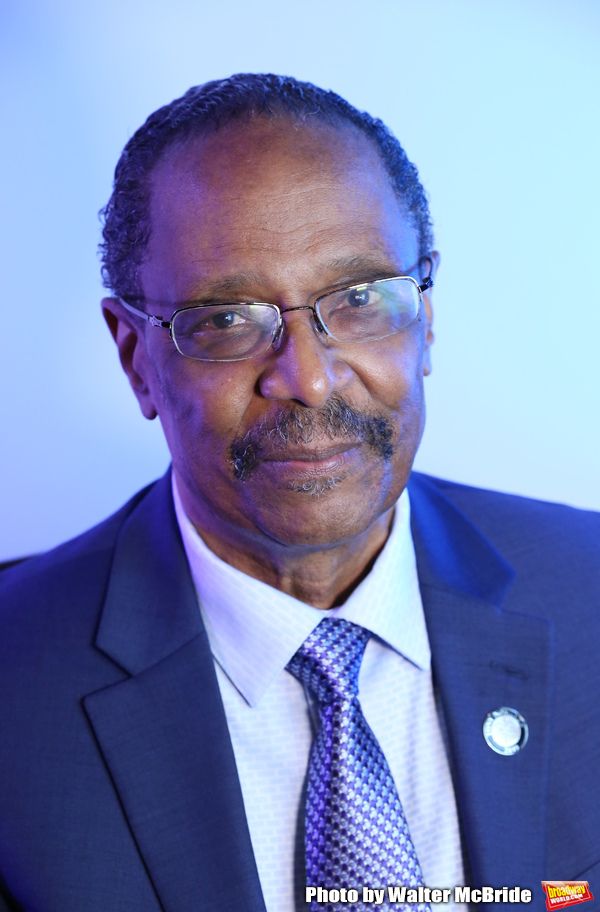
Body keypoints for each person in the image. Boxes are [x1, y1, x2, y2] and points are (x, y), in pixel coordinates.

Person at [0, 73, 598, 912]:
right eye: (226, 321)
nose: (309, 380)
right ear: (136, 357)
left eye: (358, 301)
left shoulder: (590, 592)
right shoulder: (13, 689)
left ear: (427, 320)